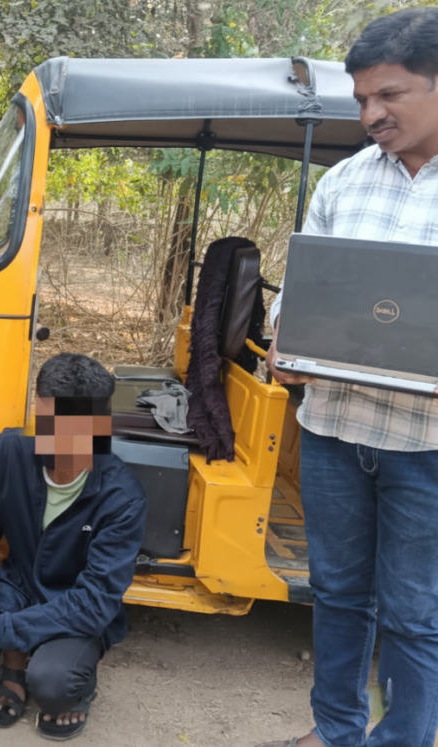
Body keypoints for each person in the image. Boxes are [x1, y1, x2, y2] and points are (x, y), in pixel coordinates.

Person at [261, 8, 438, 747]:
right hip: (333, 431)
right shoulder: (342, 182)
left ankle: (403, 739)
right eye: (363, 98)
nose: (370, 115)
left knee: (414, 611)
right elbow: (301, 292)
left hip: (426, 447)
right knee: (335, 591)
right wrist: (283, 338)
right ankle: (336, 731)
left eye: (389, 95)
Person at [0, 353, 147, 741]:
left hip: (74, 604)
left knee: (54, 684)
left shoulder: (123, 498)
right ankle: (14, 661)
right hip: (16, 586)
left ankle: (53, 669)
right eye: (47, 423)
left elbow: (95, 603)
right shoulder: (11, 449)